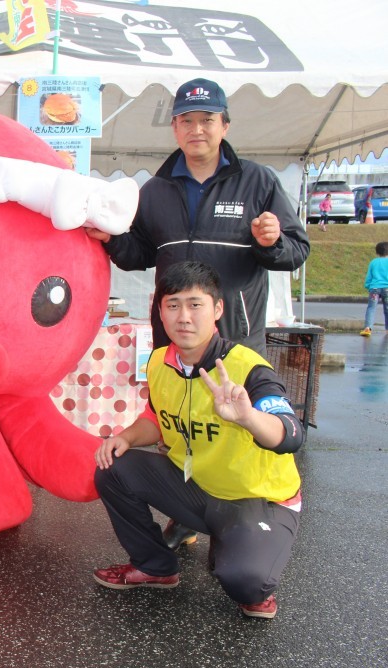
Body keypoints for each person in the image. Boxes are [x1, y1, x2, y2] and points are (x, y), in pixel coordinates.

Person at [84, 77, 310, 549]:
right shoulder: (158, 189)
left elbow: (295, 251)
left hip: (237, 334)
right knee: (179, 424)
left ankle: (250, 518)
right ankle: (186, 512)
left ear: (224, 125)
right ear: (174, 128)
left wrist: (271, 242)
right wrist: (111, 238)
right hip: (178, 336)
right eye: (187, 120)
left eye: (207, 120)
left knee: (238, 424)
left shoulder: (258, 182)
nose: (197, 129)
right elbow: (138, 252)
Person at [91, 261, 304, 619]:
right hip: (197, 486)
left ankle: (236, 544)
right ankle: (156, 566)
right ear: (159, 311)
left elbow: (290, 434)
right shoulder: (161, 360)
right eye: (172, 305)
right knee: (114, 465)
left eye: (195, 304)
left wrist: (249, 417)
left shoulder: (247, 368)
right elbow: (157, 418)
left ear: (217, 309)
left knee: (246, 584)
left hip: (257, 498)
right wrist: (125, 437)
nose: (183, 317)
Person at [360, 241, 388, 337]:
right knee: (387, 309)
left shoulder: (373, 262)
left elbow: (369, 276)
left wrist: (368, 285)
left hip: (374, 288)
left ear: (377, 252)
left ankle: (368, 328)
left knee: (371, 308)